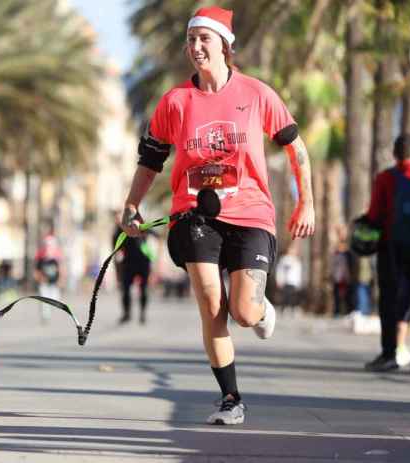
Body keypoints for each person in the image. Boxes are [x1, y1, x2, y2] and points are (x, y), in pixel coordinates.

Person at [120, 6, 314, 426]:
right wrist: (131, 205)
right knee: (211, 301)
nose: (196, 47)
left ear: (226, 45)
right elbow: (150, 162)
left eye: (204, 39)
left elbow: (296, 148)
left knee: (243, 311)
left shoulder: (257, 94)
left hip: (251, 213)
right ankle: (231, 398)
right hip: (194, 214)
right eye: (191, 40)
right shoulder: (175, 102)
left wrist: (307, 202)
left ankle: (261, 310)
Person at [363, 134, 410, 373]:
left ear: (395, 153)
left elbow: (374, 215)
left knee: (390, 299)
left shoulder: (386, 178)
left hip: (392, 246)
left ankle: (390, 353)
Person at [114, 223, 154, 324]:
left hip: (144, 262)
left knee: (143, 289)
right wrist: (117, 267)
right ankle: (127, 313)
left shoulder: (144, 225)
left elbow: (156, 237)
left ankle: (142, 313)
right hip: (128, 263)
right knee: (126, 289)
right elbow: (115, 248)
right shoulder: (121, 228)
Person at [33, 232, 63, 323]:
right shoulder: (40, 255)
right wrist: (39, 278)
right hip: (44, 282)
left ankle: (49, 312)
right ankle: (45, 316)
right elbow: (36, 269)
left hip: (54, 282)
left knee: (55, 298)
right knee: (44, 299)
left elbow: (60, 269)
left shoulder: (57, 255)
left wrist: (61, 279)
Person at [274, 242, 303, 314]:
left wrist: (298, 282)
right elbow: (279, 270)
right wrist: (279, 280)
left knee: (292, 297)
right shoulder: (284, 259)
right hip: (285, 281)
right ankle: (283, 309)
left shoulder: (297, 261)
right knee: (285, 296)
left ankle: (292, 309)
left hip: (293, 282)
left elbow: (298, 272)